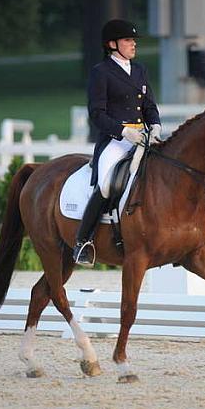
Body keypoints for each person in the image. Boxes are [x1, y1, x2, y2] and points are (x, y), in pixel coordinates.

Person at [73, 19, 162, 266]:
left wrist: (155, 125)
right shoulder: (100, 72)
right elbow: (97, 114)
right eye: (127, 40)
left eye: (133, 40)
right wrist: (124, 132)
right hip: (115, 141)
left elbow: (149, 106)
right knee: (106, 185)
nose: (133, 44)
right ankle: (83, 241)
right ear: (112, 44)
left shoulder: (140, 70)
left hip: (143, 138)